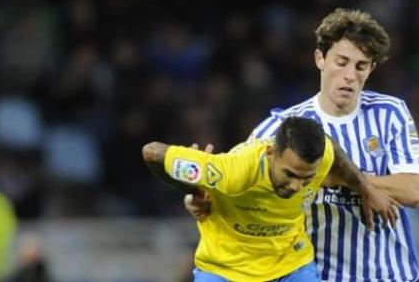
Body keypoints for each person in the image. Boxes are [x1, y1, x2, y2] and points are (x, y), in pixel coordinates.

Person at [187, 8, 419, 281]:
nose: (349, 75)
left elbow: (413, 190)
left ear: (371, 69)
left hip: (393, 275)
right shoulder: (281, 128)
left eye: (360, 66)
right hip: (322, 275)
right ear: (320, 59)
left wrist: (336, 177)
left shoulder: (390, 112)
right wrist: (199, 197)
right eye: (342, 62)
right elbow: (233, 184)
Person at [142, 116, 398, 282]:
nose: (297, 186)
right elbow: (152, 153)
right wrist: (192, 190)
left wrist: (365, 187)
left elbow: (331, 147)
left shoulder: (322, 157)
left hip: (291, 266)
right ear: (271, 153)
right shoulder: (232, 171)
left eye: (306, 179)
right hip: (225, 270)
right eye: (290, 174)